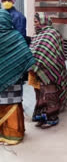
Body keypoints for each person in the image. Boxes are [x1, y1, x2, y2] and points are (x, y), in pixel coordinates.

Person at [28, 13, 67, 128]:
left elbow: (54, 53)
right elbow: (34, 50)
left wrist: (41, 61)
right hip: (38, 70)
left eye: (36, 21)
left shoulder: (53, 34)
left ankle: (52, 118)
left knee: (50, 94)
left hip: (51, 70)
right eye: (34, 21)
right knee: (40, 94)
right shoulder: (37, 34)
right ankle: (42, 117)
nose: (34, 23)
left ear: (43, 21)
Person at [0, 9, 35, 144]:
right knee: (13, 104)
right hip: (14, 80)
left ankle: (2, 134)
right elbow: (26, 56)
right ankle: (13, 134)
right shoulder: (16, 36)